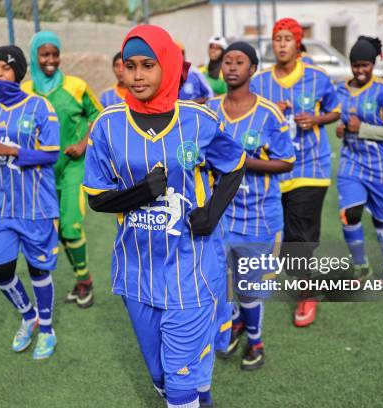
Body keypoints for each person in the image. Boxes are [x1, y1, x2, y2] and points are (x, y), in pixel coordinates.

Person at [83, 25, 246, 408]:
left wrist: (211, 212)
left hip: (191, 266)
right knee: (161, 376)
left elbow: (234, 164)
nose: (137, 75)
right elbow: (96, 198)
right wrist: (141, 192)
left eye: (148, 65)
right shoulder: (107, 125)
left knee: (178, 381)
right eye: (130, 65)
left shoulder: (199, 120)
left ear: (168, 66)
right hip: (136, 270)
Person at [207, 42, 295, 370]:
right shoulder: (210, 110)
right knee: (220, 280)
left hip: (258, 216)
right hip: (220, 214)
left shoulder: (269, 113)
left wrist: (243, 161)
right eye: (227, 61)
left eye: (239, 62)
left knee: (247, 287)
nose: (231, 67)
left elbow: (286, 162)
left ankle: (255, 341)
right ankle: (234, 324)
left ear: (252, 69)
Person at [250, 18, 341, 327]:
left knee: (296, 236)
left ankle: (307, 292)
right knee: (281, 237)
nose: (282, 44)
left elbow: (336, 110)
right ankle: (303, 274)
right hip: (274, 170)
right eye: (277, 38)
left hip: (310, 168)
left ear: (298, 43)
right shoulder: (260, 81)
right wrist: (271, 111)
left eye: (288, 38)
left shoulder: (317, 77)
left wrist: (316, 119)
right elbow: (248, 112)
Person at [0, 46, 60, 359]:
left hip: (35, 205)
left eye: (6, 68)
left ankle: (48, 330)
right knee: (0, 270)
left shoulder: (41, 106)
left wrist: (13, 151)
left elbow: (52, 153)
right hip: (0, 204)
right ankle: (29, 317)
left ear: (19, 72)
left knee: (38, 269)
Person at [22, 31, 102, 308]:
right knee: (56, 233)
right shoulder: (25, 92)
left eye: (55, 53)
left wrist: (83, 143)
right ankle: (81, 280)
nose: (51, 60)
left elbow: (98, 116)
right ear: (34, 56)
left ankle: (86, 281)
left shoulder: (76, 86)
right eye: (45, 54)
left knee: (70, 226)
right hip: (41, 174)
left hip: (73, 168)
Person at [336, 36, 383, 280]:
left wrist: (362, 129)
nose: (359, 71)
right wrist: (341, 128)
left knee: (382, 220)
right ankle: (361, 265)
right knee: (350, 213)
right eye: (355, 65)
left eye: (364, 65)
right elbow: (341, 118)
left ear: (373, 63)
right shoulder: (342, 90)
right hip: (352, 162)